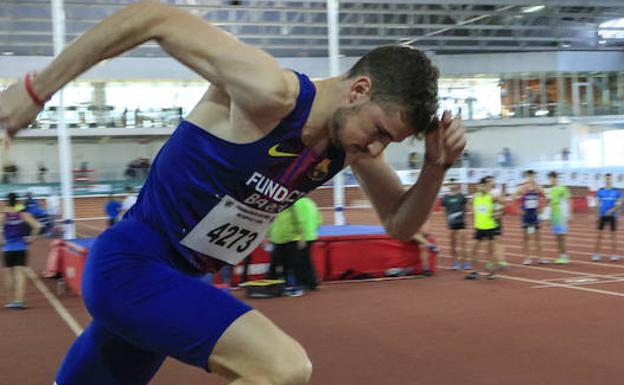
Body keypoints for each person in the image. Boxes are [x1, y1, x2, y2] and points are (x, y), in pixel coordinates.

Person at [0, 2, 465, 384]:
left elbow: (400, 223)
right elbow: (154, 16)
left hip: (180, 283)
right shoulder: (271, 92)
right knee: (282, 368)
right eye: (380, 131)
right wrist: (35, 91)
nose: (377, 147)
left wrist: (435, 168)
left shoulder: (350, 147)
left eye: (389, 142)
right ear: (359, 90)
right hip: (133, 266)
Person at [1, 192, 42, 309]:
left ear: (6, 202)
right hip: (21, 247)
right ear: (18, 202)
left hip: (8, 248)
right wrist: (31, 239)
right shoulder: (24, 215)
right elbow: (38, 226)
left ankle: (10, 301)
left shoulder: (3, 216)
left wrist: (2, 241)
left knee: (9, 274)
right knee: (20, 274)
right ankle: (20, 301)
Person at [465, 177, 499, 280]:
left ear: (486, 186)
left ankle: (492, 272)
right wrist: (472, 210)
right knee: (473, 250)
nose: (480, 187)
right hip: (479, 228)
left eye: (482, 186)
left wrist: (498, 212)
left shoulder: (491, 197)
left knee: (490, 251)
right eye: (479, 186)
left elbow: (502, 204)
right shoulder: (475, 197)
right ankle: (474, 272)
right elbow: (468, 205)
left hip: (490, 227)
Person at [514, 170, 546, 265]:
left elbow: (545, 197)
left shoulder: (538, 188)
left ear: (534, 176)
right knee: (526, 237)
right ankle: (527, 258)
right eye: (529, 176)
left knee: (538, 237)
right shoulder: (522, 188)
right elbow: (513, 197)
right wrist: (519, 209)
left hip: (535, 215)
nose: (531, 178)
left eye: (532, 176)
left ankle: (540, 257)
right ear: (526, 177)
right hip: (526, 215)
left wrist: (542, 208)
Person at [290, 196, 322, 291]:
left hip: (301, 237)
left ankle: (302, 283)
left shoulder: (296, 204)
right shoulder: (311, 202)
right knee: (307, 261)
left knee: (299, 262)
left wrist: (300, 236)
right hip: (311, 235)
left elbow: (299, 221)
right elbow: (319, 220)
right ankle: (312, 283)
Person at [592, 173, 622, 262]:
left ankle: (614, 254)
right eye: (606, 179)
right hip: (602, 216)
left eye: (609, 179)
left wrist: (611, 211)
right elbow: (597, 204)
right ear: (604, 180)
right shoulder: (600, 191)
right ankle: (596, 254)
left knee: (613, 235)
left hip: (612, 216)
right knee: (599, 236)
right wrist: (597, 216)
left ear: (612, 179)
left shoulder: (616, 191)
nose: (608, 180)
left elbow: (620, 204)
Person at [440, 178, 467, 270]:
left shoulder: (461, 196)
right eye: (450, 184)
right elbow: (444, 210)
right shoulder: (445, 197)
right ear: (449, 186)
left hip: (461, 222)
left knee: (463, 243)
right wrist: (447, 221)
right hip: (451, 223)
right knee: (453, 243)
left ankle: (465, 262)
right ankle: (455, 262)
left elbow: (465, 208)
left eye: (454, 184)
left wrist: (463, 218)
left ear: (457, 185)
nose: (452, 185)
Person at [547, 171, 572, 264]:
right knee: (557, 237)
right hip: (554, 216)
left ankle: (564, 256)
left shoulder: (563, 188)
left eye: (552, 178)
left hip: (561, 215)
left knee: (561, 236)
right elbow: (549, 204)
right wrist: (549, 217)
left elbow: (568, 201)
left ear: (556, 178)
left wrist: (570, 214)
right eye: (549, 178)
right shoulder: (550, 190)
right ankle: (562, 255)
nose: (551, 180)